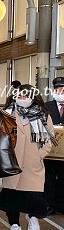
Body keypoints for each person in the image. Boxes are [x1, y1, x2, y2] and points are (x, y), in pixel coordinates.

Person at [0, 84, 55, 230]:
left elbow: (49, 138)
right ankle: (14, 225)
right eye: (19, 97)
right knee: (12, 197)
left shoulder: (42, 114)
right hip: (12, 162)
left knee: (34, 195)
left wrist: (40, 154)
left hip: (33, 163)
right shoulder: (8, 113)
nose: (22, 100)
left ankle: (32, 216)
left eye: (25, 97)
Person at [43, 76, 64, 214]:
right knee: (49, 178)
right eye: (57, 89)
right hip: (51, 151)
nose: (60, 92)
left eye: (63, 89)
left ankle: (61, 205)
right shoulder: (47, 106)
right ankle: (49, 205)